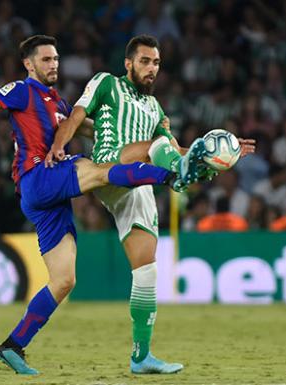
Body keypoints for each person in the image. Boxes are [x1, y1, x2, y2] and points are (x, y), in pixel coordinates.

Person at [0, 35, 203, 375]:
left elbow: (91, 128)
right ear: (30, 64)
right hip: (38, 175)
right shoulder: (21, 90)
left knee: (63, 280)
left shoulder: (57, 103)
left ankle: (13, 346)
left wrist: (124, 133)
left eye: (56, 58)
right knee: (98, 172)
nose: (54, 64)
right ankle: (165, 179)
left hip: (49, 199)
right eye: (46, 59)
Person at [47, 34, 255, 374]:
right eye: (145, 61)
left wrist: (222, 154)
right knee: (162, 151)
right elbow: (76, 116)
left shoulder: (157, 110)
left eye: (156, 63)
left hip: (140, 181)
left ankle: (141, 356)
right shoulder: (106, 83)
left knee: (146, 270)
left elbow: (172, 151)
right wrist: (59, 145)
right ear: (128, 63)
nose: (151, 68)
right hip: (109, 165)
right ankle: (181, 180)